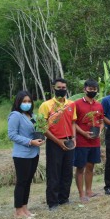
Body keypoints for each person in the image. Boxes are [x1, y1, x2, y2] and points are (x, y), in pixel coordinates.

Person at [38, 78, 77, 210]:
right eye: (59, 87)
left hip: (69, 141)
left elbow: (73, 122)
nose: (62, 90)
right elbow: (42, 127)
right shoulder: (46, 105)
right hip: (54, 143)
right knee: (53, 172)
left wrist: (74, 138)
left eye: (64, 87)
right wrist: (57, 141)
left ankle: (64, 198)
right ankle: (53, 202)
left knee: (67, 171)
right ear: (54, 88)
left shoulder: (71, 104)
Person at [8, 90, 44, 219]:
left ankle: (25, 208)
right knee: (22, 181)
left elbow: (37, 130)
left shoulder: (32, 115)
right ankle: (18, 211)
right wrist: (30, 141)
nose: (27, 104)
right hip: (22, 154)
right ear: (18, 102)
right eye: (24, 101)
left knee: (28, 181)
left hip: (34, 153)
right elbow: (12, 134)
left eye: (29, 101)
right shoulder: (15, 115)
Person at [74, 79, 104, 202]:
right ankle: (81, 194)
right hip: (81, 141)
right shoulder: (77, 104)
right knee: (80, 167)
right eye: (90, 89)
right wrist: (83, 133)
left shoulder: (98, 105)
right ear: (84, 89)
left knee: (91, 166)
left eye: (94, 89)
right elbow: (73, 123)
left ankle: (89, 191)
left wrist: (100, 131)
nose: (92, 91)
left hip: (94, 142)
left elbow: (101, 121)